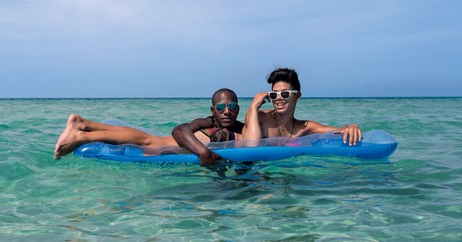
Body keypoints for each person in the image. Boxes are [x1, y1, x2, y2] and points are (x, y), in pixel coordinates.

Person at [54, 88, 255, 164]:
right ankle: (82, 136)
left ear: (238, 109)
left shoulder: (238, 128)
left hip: (165, 147)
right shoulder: (208, 121)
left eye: (232, 106)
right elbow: (179, 130)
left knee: (144, 138)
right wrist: (203, 152)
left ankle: (84, 123)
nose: (226, 111)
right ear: (213, 110)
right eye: (221, 107)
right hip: (160, 146)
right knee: (146, 140)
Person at [243, 67, 362, 145]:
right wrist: (253, 106)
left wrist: (352, 126)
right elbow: (250, 146)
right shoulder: (259, 117)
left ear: (297, 96)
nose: (278, 98)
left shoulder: (305, 127)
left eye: (285, 94)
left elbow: (338, 130)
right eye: (274, 94)